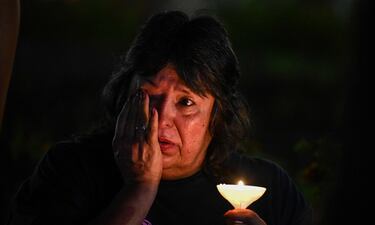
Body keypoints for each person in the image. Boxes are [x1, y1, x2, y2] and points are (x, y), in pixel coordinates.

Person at [7, 11, 312, 225]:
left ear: (218, 114)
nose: (162, 117)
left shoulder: (270, 191)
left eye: (186, 102)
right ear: (126, 93)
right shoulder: (70, 170)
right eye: (149, 95)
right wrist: (139, 189)